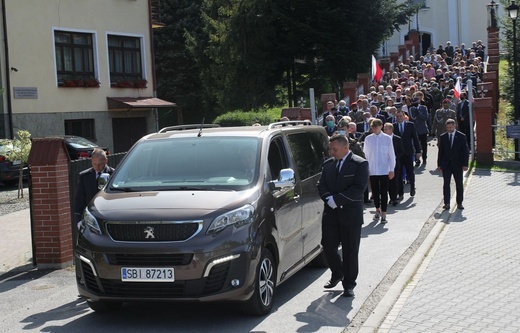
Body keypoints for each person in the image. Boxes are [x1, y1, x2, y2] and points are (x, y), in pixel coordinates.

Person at [317, 134, 369, 297]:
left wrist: (337, 200)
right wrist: (329, 199)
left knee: (350, 250)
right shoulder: (328, 164)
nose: (332, 152)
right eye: (331, 149)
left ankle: (349, 284)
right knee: (328, 246)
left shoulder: (359, 164)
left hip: (350, 214)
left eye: (335, 149)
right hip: (331, 214)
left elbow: (359, 188)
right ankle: (337, 273)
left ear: (345, 148)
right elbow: (321, 185)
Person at [363, 119, 395, 223]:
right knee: (375, 192)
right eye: (373, 128)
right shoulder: (368, 139)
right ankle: (377, 209)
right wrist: (366, 169)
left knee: (384, 192)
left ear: (381, 127)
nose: (374, 129)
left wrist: (392, 169)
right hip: (372, 170)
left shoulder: (387, 139)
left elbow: (391, 155)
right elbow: (365, 155)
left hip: (384, 170)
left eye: (376, 127)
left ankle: (384, 213)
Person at [74, 148, 114, 224]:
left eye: (100, 164)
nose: (97, 167)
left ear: (106, 161)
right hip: (90, 217)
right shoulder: (84, 176)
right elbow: (79, 200)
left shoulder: (114, 175)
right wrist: (78, 221)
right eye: (94, 164)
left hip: (108, 216)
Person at [437, 119, 469, 210]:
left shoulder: (461, 136)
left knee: (459, 183)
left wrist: (465, 164)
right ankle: (447, 203)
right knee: (446, 184)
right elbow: (441, 152)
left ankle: (459, 203)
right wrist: (439, 165)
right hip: (446, 164)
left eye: (451, 127)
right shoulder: (443, 137)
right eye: (447, 127)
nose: (449, 129)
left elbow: (465, 151)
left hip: (458, 164)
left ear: (455, 126)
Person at [393, 110, 421, 199]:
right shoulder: (393, 126)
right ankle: (400, 193)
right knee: (399, 173)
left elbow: (415, 138)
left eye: (400, 116)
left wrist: (418, 151)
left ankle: (412, 187)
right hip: (398, 154)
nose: (399, 118)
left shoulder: (410, 125)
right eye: (397, 116)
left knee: (410, 171)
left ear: (404, 116)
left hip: (408, 152)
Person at [383, 122, 404, 206]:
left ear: (391, 129)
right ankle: (388, 197)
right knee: (386, 181)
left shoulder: (397, 138)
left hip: (394, 163)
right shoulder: (382, 139)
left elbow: (401, 151)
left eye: (386, 129)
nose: (384, 131)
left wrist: (394, 157)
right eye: (384, 129)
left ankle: (394, 198)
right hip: (384, 163)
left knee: (394, 181)